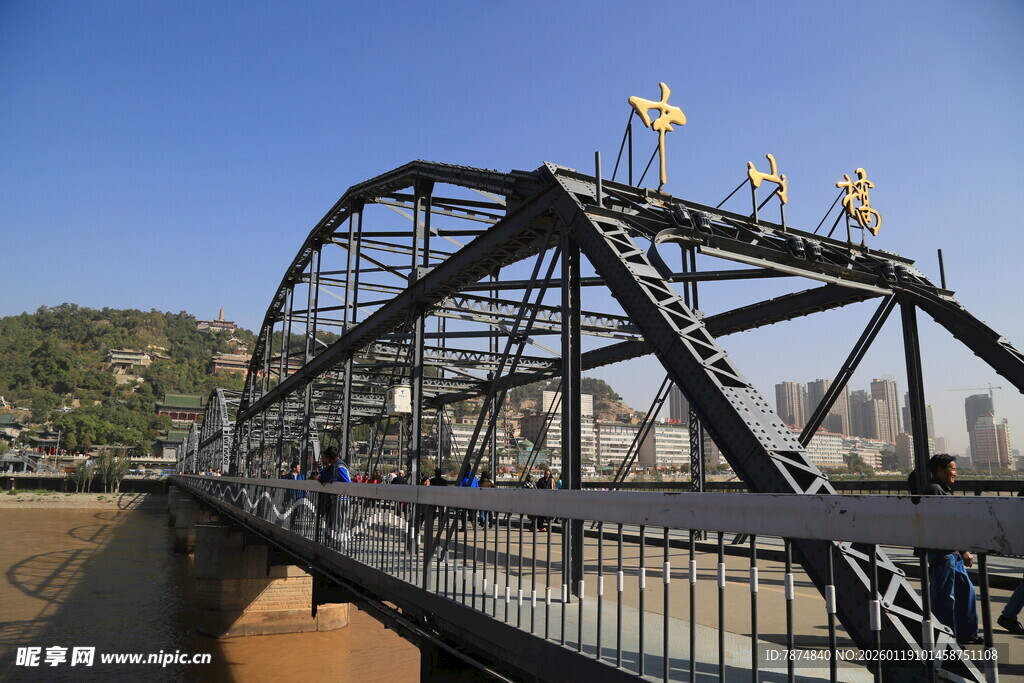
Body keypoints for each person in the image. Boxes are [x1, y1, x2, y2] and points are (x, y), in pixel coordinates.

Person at [921, 454, 980, 644]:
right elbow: (943, 525)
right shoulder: (934, 490)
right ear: (939, 470)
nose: (955, 473)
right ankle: (946, 639)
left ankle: (967, 634)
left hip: (952, 552)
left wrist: (963, 551)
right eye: (952, 469)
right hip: (942, 553)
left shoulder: (942, 489)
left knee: (965, 592)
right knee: (945, 598)